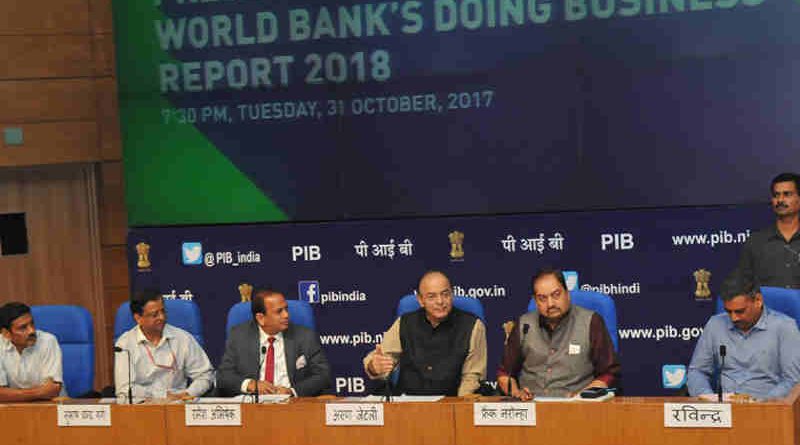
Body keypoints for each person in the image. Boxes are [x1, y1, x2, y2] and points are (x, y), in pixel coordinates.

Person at [497, 268, 620, 399]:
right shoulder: (524, 325)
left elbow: (609, 373)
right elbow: (504, 373)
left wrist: (584, 396)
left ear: (567, 293)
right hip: (531, 409)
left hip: (577, 409)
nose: (550, 304)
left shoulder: (591, 322)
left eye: (556, 295)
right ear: (535, 301)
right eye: (542, 298)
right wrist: (516, 393)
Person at [363, 270, 487, 396]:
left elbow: (471, 378)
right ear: (421, 300)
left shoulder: (473, 325)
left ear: (452, 295)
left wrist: (457, 408)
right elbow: (381, 359)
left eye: (445, 294)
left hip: (452, 403)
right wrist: (374, 367)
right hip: (408, 403)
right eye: (431, 296)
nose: (440, 301)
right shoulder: (405, 323)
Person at [687, 279, 800, 400]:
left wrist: (762, 404)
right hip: (724, 410)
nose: (734, 318)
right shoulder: (715, 324)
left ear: (758, 301)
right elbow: (697, 371)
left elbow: (793, 380)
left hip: (767, 408)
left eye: (740, 311)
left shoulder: (785, 327)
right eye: (728, 312)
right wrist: (708, 398)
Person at [217, 288, 331, 396]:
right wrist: (250, 384)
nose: (286, 315)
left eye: (286, 309)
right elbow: (223, 376)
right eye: (279, 312)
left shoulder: (304, 335)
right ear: (261, 318)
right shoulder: (239, 336)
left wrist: (292, 391)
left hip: (292, 404)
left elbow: (323, 375)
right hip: (253, 404)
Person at [114, 290, 214, 401]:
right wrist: (162, 396)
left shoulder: (182, 338)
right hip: (142, 406)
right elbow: (124, 389)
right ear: (138, 318)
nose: (161, 317)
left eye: (163, 311)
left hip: (178, 404)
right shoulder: (125, 344)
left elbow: (205, 374)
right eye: (154, 315)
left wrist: (188, 393)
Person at [730, 172, 800, 288]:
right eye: (776, 195)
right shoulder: (755, 242)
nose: (780, 200)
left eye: (787, 194)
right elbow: (743, 286)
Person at [0, 302, 65, 402]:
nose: (31, 331)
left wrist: (11, 394)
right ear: (6, 334)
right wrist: (40, 392)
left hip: (51, 404)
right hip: (13, 408)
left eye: (32, 324)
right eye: (23, 327)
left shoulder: (48, 341)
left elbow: (53, 390)